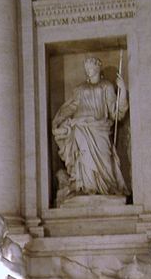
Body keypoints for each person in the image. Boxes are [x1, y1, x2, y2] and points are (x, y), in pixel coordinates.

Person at [51, 56, 128, 199]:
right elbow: (69, 108)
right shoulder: (80, 89)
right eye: (87, 68)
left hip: (100, 129)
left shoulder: (107, 86)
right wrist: (58, 121)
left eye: (92, 67)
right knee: (84, 157)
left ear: (98, 68)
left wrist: (122, 91)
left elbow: (116, 113)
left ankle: (106, 188)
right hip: (81, 127)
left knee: (105, 159)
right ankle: (86, 187)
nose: (89, 70)